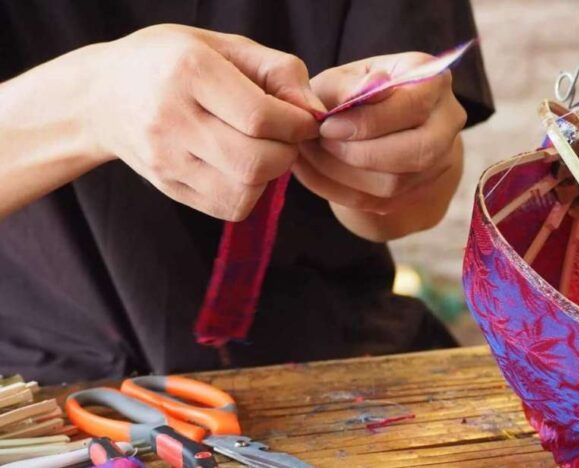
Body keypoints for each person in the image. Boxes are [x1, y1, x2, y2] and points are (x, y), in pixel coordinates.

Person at [0, 1, 493, 384]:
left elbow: (414, 208)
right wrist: (89, 101)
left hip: (336, 362)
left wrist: (398, 161)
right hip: (40, 393)